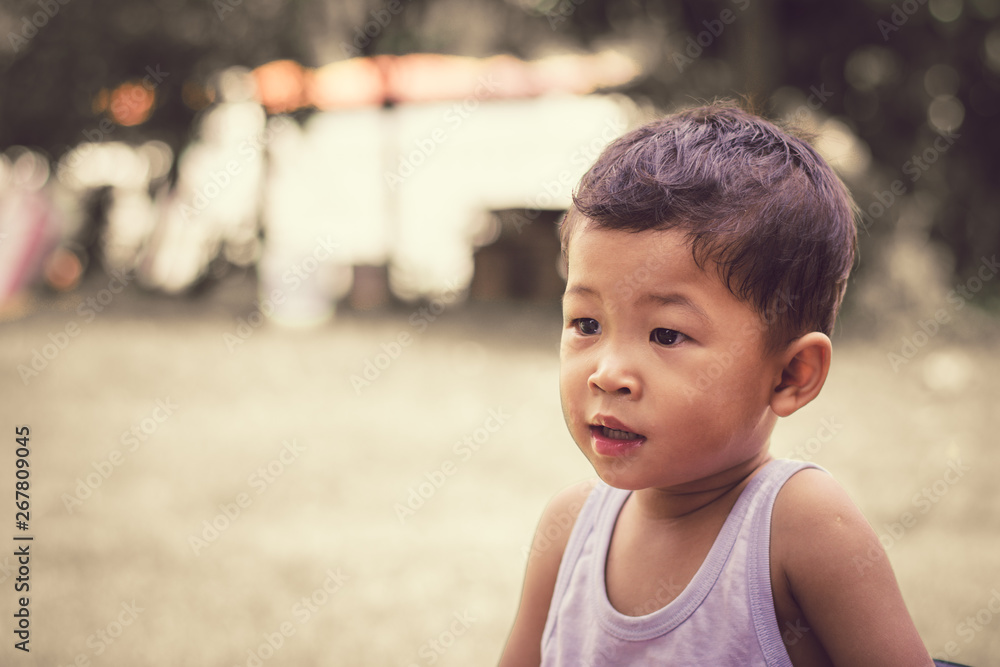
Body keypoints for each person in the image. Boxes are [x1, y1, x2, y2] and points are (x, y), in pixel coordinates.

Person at [499, 102, 936, 666]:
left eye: (666, 335)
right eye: (586, 324)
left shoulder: (800, 527)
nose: (608, 373)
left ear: (790, 375)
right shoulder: (568, 530)